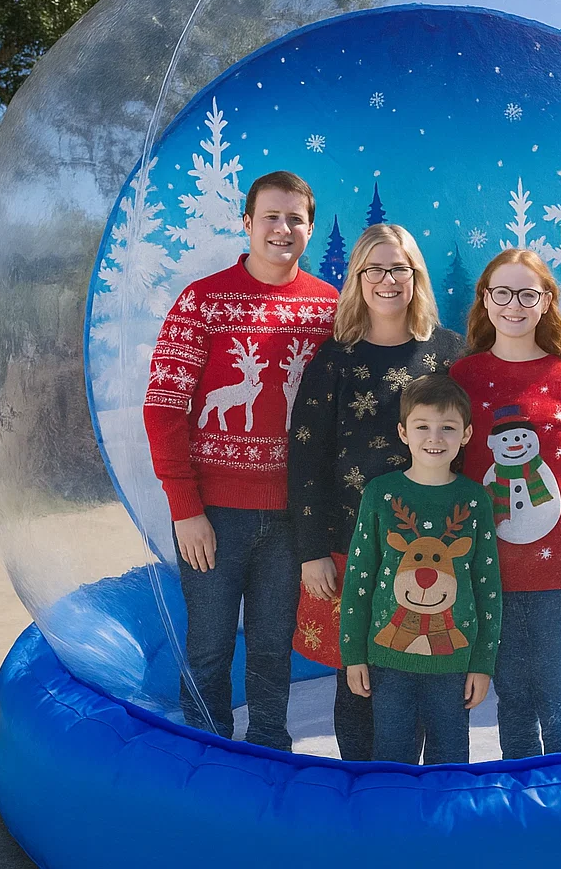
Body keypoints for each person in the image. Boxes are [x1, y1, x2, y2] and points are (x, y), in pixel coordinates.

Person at [142, 170, 339, 749]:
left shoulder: (328, 308)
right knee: (209, 641)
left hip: (291, 518)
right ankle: (206, 756)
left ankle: (269, 745)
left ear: (309, 227)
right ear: (248, 224)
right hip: (213, 515)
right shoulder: (202, 301)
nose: (283, 229)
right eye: (271, 217)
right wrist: (185, 507)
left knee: (275, 640)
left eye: (295, 219)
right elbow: (164, 408)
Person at [287, 223, 463, 760]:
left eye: (400, 269)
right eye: (376, 269)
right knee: (358, 676)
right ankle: (364, 796)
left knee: (428, 673)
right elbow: (306, 461)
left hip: (434, 552)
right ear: (358, 278)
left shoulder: (450, 352)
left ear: (417, 277)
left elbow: (473, 452)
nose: (388, 280)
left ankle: (429, 798)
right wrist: (312, 551)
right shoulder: (334, 360)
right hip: (351, 548)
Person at [450, 248, 561, 760]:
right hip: (488, 574)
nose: (514, 305)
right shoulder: (463, 378)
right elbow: (448, 474)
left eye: (528, 294)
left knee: (559, 705)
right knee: (513, 705)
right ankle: (523, 820)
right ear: (486, 301)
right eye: (502, 293)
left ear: (546, 302)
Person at [339, 374, 501, 764]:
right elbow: (359, 579)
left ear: (466, 435)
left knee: (449, 760)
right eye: (422, 426)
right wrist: (353, 654)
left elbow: (488, 587)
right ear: (403, 431)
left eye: (448, 428)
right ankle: (393, 825)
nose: (435, 438)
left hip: (453, 664)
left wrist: (482, 663)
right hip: (387, 661)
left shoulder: (474, 499)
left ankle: (444, 826)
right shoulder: (381, 493)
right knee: (392, 757)